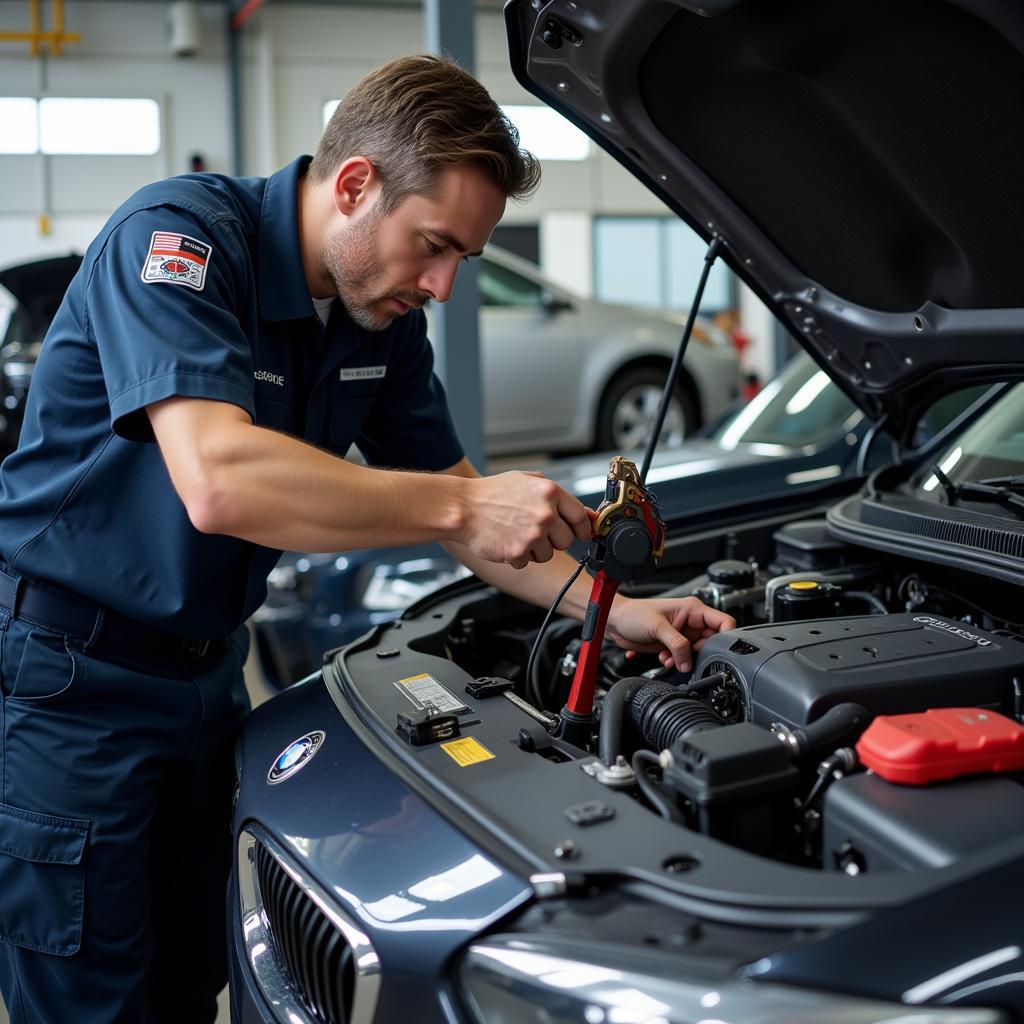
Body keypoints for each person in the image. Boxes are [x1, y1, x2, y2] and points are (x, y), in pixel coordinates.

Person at [0, 55, 735, 1023]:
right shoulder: (179, 240)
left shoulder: (376, 321)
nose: (438, 285)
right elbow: (218, 478)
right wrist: (466, 510)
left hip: (208, 677)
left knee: (190, 978)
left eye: (461, 261)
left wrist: (621, 608)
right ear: (353, 185)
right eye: (431, 245)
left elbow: (456, 498)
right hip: (72, 682)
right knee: (91, 997)